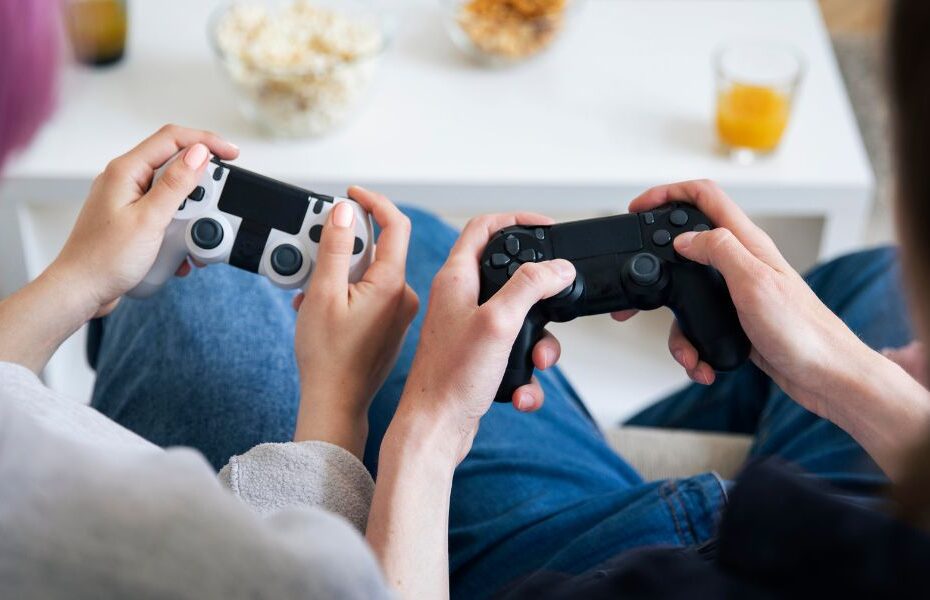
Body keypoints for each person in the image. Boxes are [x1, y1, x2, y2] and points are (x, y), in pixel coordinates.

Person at [2, 2, 930, 600]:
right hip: (835, 518)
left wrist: (415, 426)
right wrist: (845, 373)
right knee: (868, 282)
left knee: (199, 299)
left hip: (567, 569)